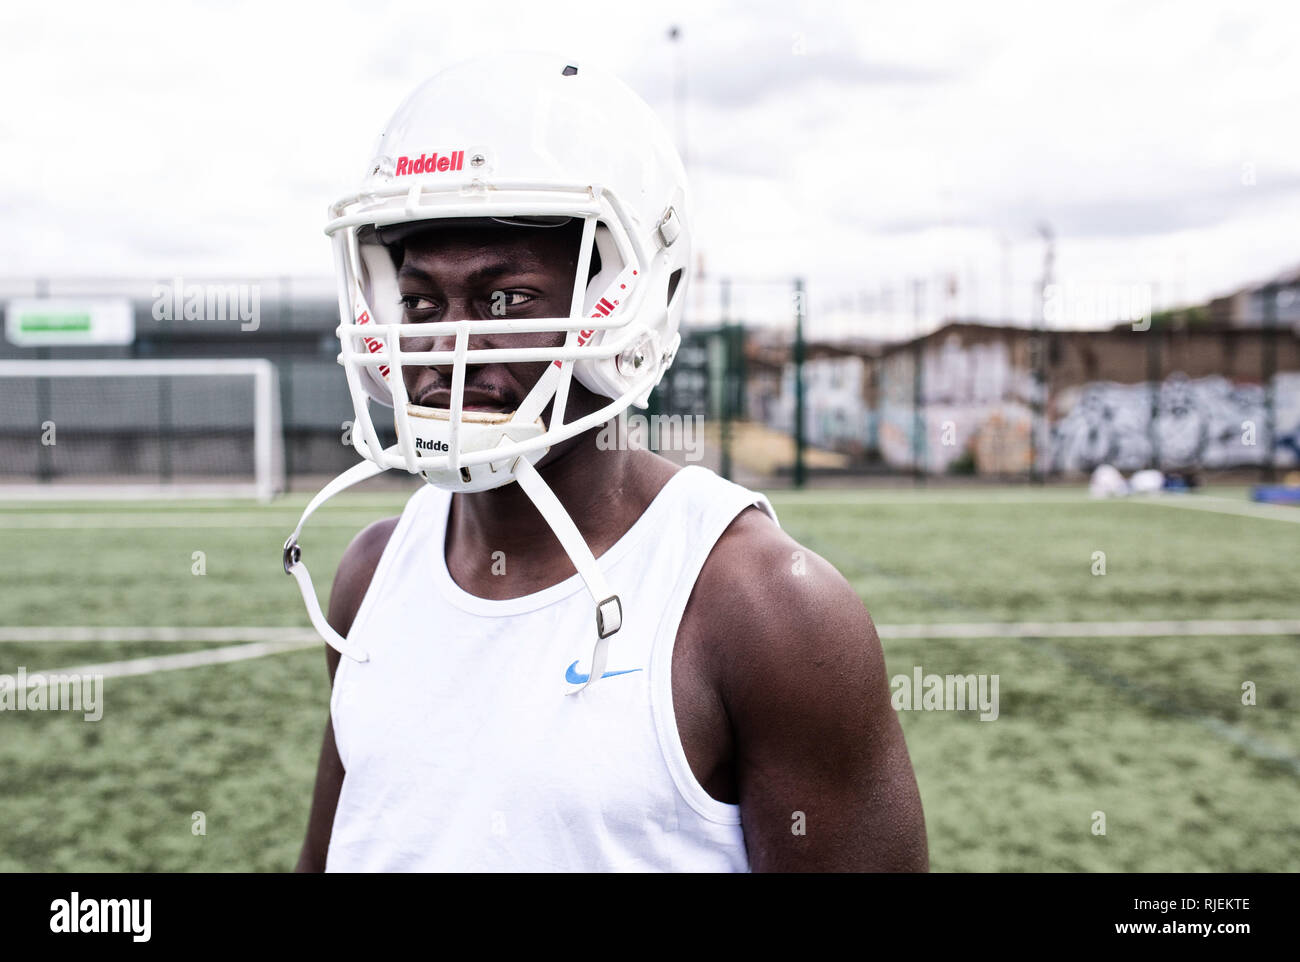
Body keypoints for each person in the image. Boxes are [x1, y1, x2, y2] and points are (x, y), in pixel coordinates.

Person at [288, 52, 927, 872]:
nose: (445, 348)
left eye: (505, 300)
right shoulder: (372, 574)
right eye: (418, 303)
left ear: (627, 299)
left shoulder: (763, 609)